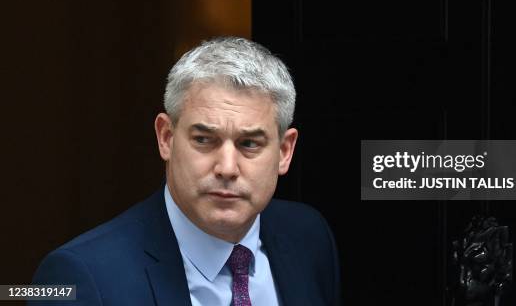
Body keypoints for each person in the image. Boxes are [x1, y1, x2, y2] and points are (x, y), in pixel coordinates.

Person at [31, 37, 341, 305]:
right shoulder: (83, 275)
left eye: (249, 143)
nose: (227, 168)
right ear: (166, 138)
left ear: (284, 152)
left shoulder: (308, 238)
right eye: (204, 140)